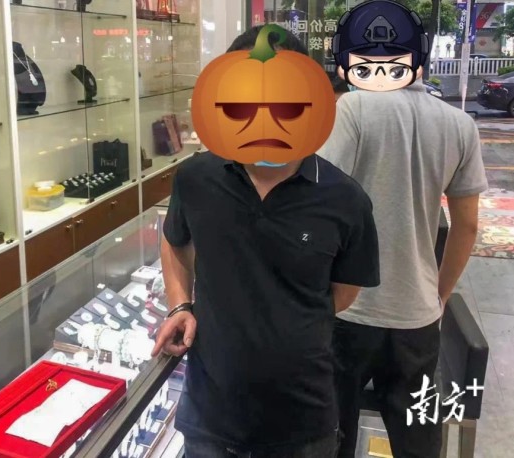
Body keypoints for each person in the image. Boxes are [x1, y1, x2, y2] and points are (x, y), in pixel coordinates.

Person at [151, 25, 381, 458]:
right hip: (209, 419)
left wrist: (283, 320)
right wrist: (181, 305)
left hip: (302, 422)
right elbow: (174, 241)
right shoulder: (196, 178)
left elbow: (343, 292)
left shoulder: (345, 199)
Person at [318, 2, 488, 457]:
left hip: (349, 311)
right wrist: (439, 294)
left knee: (330, 435)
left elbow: (319, 204)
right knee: (416, 439)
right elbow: (467, 225)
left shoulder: (352, 110)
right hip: (417, 315)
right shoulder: (459, 125)